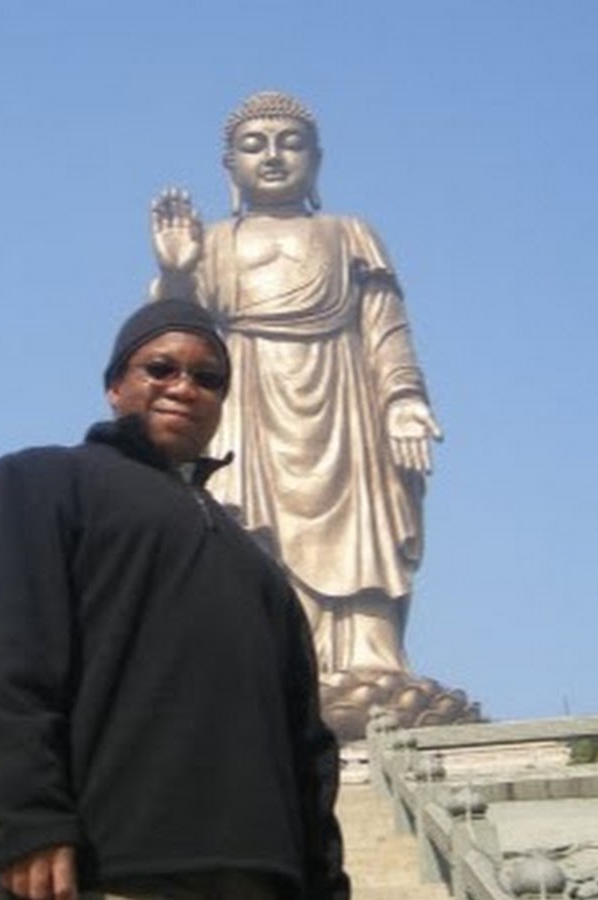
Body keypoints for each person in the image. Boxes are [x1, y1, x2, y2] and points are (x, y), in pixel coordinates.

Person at [0, 299, 349, 900]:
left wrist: (326, 883)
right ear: (114, 386)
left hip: (263, 878)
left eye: (208, 378)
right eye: (160, 368)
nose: (184, 387)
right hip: (114, 869)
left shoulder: (257, 565)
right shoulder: (41, 482)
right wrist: (27, 820)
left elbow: (306, 742)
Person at [150, 92, 443, 692]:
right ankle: (269, 664)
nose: (273, 157)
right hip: (248, 399)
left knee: (363, 528)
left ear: (317, 159)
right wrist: (178, 272)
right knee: (249, 538)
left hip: (345, 401)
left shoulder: (349, 234)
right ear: (229, 165)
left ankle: (369, 663)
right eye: (253, 145)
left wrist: (404, 401)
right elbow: (172, 341)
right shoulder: (214, 243)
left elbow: (386, 328)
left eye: (290, 143)